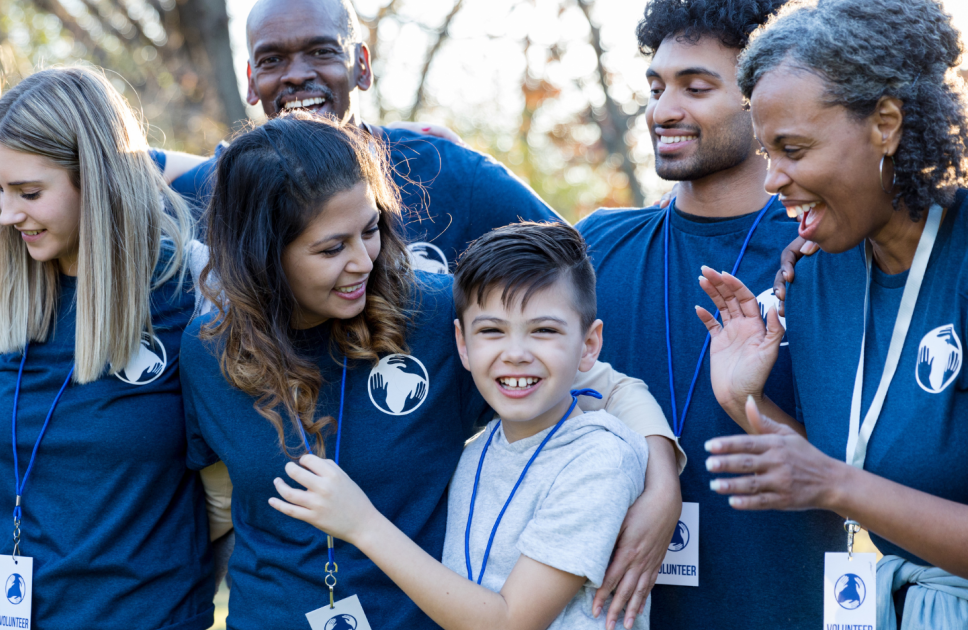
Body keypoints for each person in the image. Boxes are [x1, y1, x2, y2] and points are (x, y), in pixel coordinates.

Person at [181, 112, 681, 630]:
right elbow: (215, 506)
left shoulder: (438, 316)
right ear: (262, 256)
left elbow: (607, 384)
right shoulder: (207, 354)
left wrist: (662, 484)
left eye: (371, 229)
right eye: (332, 248)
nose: (363, 261)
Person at [0, 66, 216, 630]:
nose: (7, 216)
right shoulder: (4, 316)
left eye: (29, 192)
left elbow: (230, 489)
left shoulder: (195, 291)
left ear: (99, 177)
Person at [697, 0, 968, 627]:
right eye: (767, 153)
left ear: (887, 124)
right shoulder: (818, 276)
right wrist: (746, 402)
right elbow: (838, 475)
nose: (772, 179)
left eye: (792, 148)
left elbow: (839, 485)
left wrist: (837, 487)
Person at [575, 1, 842, 627]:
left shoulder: (828, 254)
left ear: (765, 98)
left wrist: (747, 405)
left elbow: (857, 477)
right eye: (656, 87)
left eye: (696, 87)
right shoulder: (592, 248)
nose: (664, 110)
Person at [271, 222, 651, 630]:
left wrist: (362, 525)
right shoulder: (474, 451)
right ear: (463, 344)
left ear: (589, 345)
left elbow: (511, 622)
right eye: (491, 331)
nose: (516, 354)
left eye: (544, 330)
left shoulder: (600, 460)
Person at [170, 0, 562, 273]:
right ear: (252, 82)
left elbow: (578, 262)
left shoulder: (451, 173)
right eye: (273, 60)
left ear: (361, 66)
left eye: (322, 52)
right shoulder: (214, 193)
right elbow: (119, 164)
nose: (295, 74)